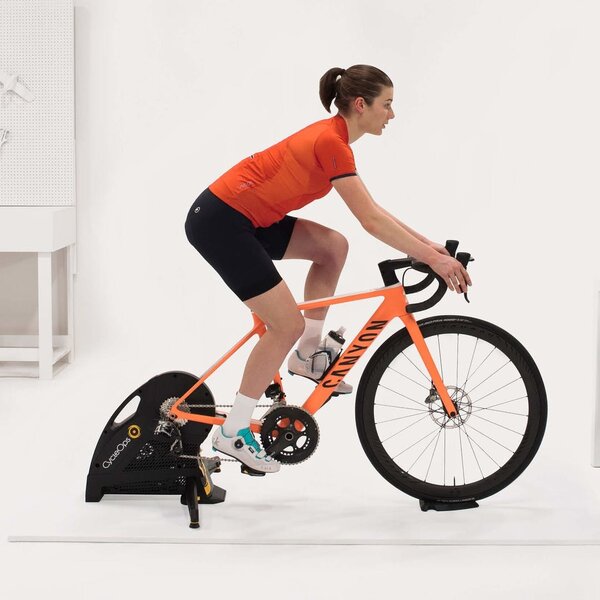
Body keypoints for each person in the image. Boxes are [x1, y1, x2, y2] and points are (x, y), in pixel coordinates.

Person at [184, 64, 471, 474]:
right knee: (284, 325)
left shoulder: (336, 140)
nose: (392, 114)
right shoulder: (331, 142)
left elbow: (372, 210)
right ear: (361, 104)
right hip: (221, 222)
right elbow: (370, 220)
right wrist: (433, 259)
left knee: (333, 248)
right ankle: (232, 433)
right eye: (387, 104)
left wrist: (428, 247)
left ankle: (307, 355)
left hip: (250, 219)